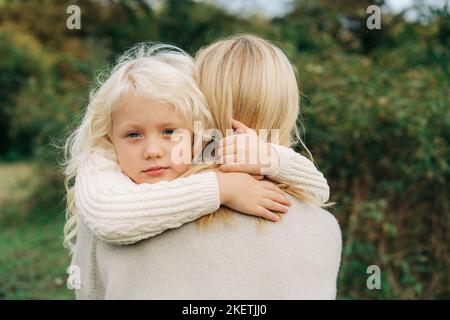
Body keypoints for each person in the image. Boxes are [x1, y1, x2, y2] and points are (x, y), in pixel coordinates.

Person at [66, 37, 339, 299]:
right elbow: (320, 191)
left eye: (169, 131)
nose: (152, 150)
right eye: (134, 135)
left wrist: (270, 158)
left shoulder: (118, 210)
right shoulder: (323, 228)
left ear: (199, 110)